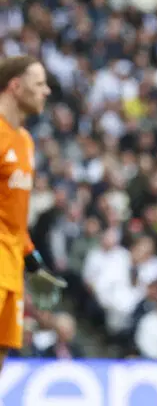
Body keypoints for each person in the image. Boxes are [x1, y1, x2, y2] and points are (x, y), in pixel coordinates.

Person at [0, 55, 66, 374]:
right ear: (15, 86)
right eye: (39, 84)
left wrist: (32, 259)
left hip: (12, 266)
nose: (47, 91)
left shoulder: (25, 141)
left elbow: (14, 215)